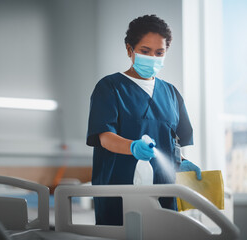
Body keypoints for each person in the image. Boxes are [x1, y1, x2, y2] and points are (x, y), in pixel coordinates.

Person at [86, 14, 202, 226]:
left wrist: (182, 163)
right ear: (130, 50)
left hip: (163, 193)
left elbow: (174, 142)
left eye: (159, 52)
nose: (153, 58)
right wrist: (133, 147)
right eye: (145, 51)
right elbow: (105, 137)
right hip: (119, 193)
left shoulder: (171, 93)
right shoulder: (110, 88)